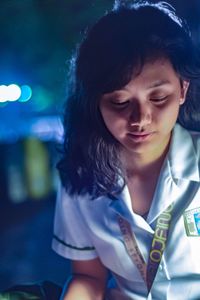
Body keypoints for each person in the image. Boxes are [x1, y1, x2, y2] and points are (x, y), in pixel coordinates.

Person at [52, 1, 200, 299]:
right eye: (120, 102)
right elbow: (88, 277)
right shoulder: (80, 179)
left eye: (158, 98)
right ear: (95, 101)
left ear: (183, 89)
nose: (140, 119)